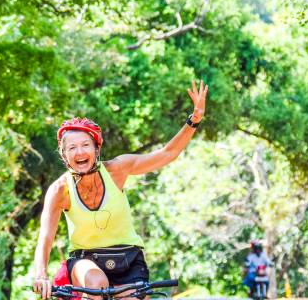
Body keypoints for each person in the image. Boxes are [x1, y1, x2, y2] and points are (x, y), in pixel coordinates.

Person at [32, 80, 209, 299]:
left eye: (85, 145)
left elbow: (166, 154)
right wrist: (40, 274)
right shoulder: (60, 190)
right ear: (64, 154)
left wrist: (195, 120)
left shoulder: (117, 171)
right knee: (96, 284)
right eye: (72, 148)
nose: (79, 152)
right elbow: (46, 237)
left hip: (129, 259)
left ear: (97, 149)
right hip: (86, 260)